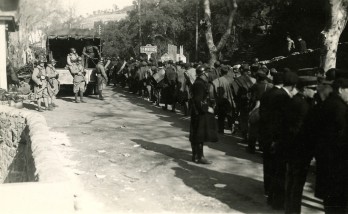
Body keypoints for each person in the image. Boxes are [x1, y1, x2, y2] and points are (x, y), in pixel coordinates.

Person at [283, 76, 317, 214]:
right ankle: (293, 210)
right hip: (300, 149)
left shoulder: (295, 100)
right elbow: (300, 129)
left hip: (292, 148)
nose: (315, 91)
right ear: (305, 89)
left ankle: (290, 209)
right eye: (313, 89)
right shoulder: (303, 105)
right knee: (297, 182)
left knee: (292, 180)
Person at [314, 77, 348, 214]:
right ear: (340, 90)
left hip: (325, 161)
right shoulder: (340, 108)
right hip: (338, 164)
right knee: (338, 203)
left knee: (329, 202)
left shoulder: (326, 104)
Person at [270, 69, 298, 210]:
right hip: (281, 139)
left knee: (276, 170)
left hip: (274, 138)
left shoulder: (276, 94)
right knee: (281, 172)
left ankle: (273, 199)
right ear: (292, 87)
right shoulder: (285, 98)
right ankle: (278, 202)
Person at [259, 72, 284, 204]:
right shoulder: (283, 96)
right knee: (277, 164)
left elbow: (262, 113)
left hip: (265, 132)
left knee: (267, 161)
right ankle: (274, 190)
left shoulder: (266, 94)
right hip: (276, 134)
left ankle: (267, 187)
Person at [189, 65, 217, 164]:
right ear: (203, 73)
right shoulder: (199, 84)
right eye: (207, 73)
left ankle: (196, 155)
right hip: (199, 113)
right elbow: (198, 100)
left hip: (197, 112)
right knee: (199, 135)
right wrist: (207, 108)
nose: (208, 75)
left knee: (196, 134)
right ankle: (200, 157)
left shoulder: (199, 82)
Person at [247, 69, 273, 153]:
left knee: (253, 129)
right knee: (263, 129)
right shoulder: (270, 86)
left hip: (256, 108)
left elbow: (250, 94)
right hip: (267, 109)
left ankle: (251, 148)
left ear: (257, 77)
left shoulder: (256, 86)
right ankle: (262, 146)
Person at [212, 65, 236, 134]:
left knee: (221, 115)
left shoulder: (217, 80)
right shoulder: (232, 80)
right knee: (230, 114)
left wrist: (214, 101)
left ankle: (221, 129)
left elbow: (213, 91)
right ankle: (232, 127)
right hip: (230, 100)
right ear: (228, 72)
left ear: (220, 72)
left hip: (221, 100)